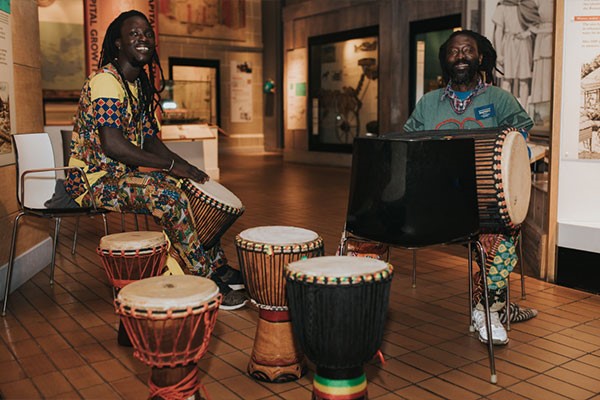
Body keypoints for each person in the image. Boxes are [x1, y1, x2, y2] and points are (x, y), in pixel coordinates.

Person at [63, 10, 246, 310]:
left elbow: (149, 138)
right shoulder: (106, 82)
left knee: (186, 186)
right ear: (118, 43)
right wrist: (172, 167)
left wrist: (185, 167)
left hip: (117, 176)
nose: (143, 39)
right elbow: (114, 146)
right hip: (91, 182)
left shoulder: (136, 86)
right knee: (168, 194)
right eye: (134, 34)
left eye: (147, 33)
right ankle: (204, 277)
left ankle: (215, 263)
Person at [404, 30, 537, 345]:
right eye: (453, 51)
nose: (460, 55)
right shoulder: (428, 104)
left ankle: (488, 310)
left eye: (467, 50)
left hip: (485, 203)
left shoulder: (499, 99)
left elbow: (520, 138)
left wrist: (518, 156)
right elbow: (408, 144)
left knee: (505, 234)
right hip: (437, 205)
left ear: (480, 58)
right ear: (445, 61)